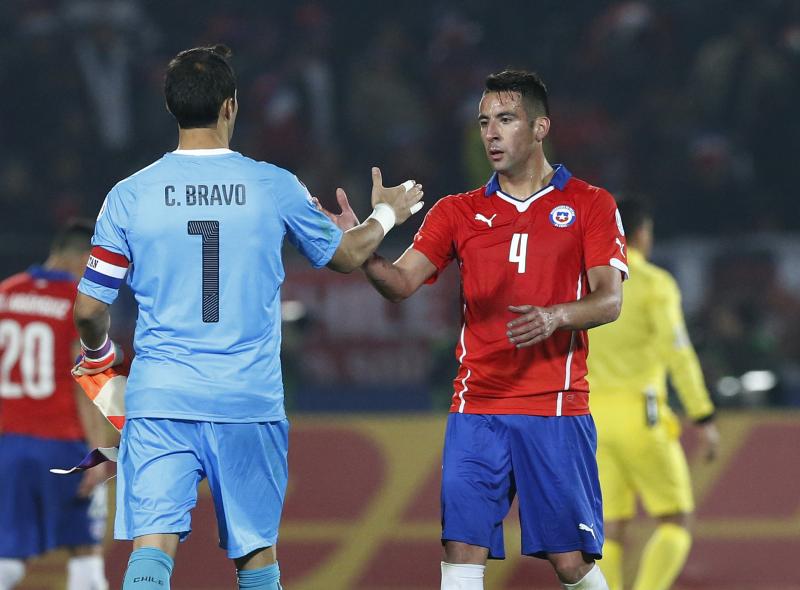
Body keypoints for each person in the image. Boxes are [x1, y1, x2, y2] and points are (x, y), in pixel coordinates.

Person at [71, 44, 423, 590]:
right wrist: (387, 213)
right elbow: (349, 256)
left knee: (152, 547)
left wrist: (98, 357)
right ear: (231, 106)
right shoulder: (272, 185)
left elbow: (91, 308)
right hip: (247, 400)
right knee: (256, 558)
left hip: (162, 396)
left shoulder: (128, 196)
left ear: (171, 107)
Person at [320, 69, 627, 590]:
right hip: (476, 406)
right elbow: (399, 284)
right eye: (484, 122)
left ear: (540, 127)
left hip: (554, 405)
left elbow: (609, 300)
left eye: (505, 120)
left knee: (570, 562)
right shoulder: (458, 211)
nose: (491, 133)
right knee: (461, 552)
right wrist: (363, 246)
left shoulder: (590, 204)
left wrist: (555, 316)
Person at [586, 196, 720, 590]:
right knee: (675, 518)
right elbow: (676, 353)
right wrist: (703, 415)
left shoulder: (583, 281)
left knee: (609, 530)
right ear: (642, 234)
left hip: (591, 420)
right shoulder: (653, 284)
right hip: (640, 417)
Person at [0, 219, 111, 590]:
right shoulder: (78, 303)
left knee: (10, 558)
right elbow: (85, 382)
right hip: (62, 445)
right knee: (85, 552)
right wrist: (97, 451)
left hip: (9, 446)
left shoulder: (6, 292)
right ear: (83, 258)